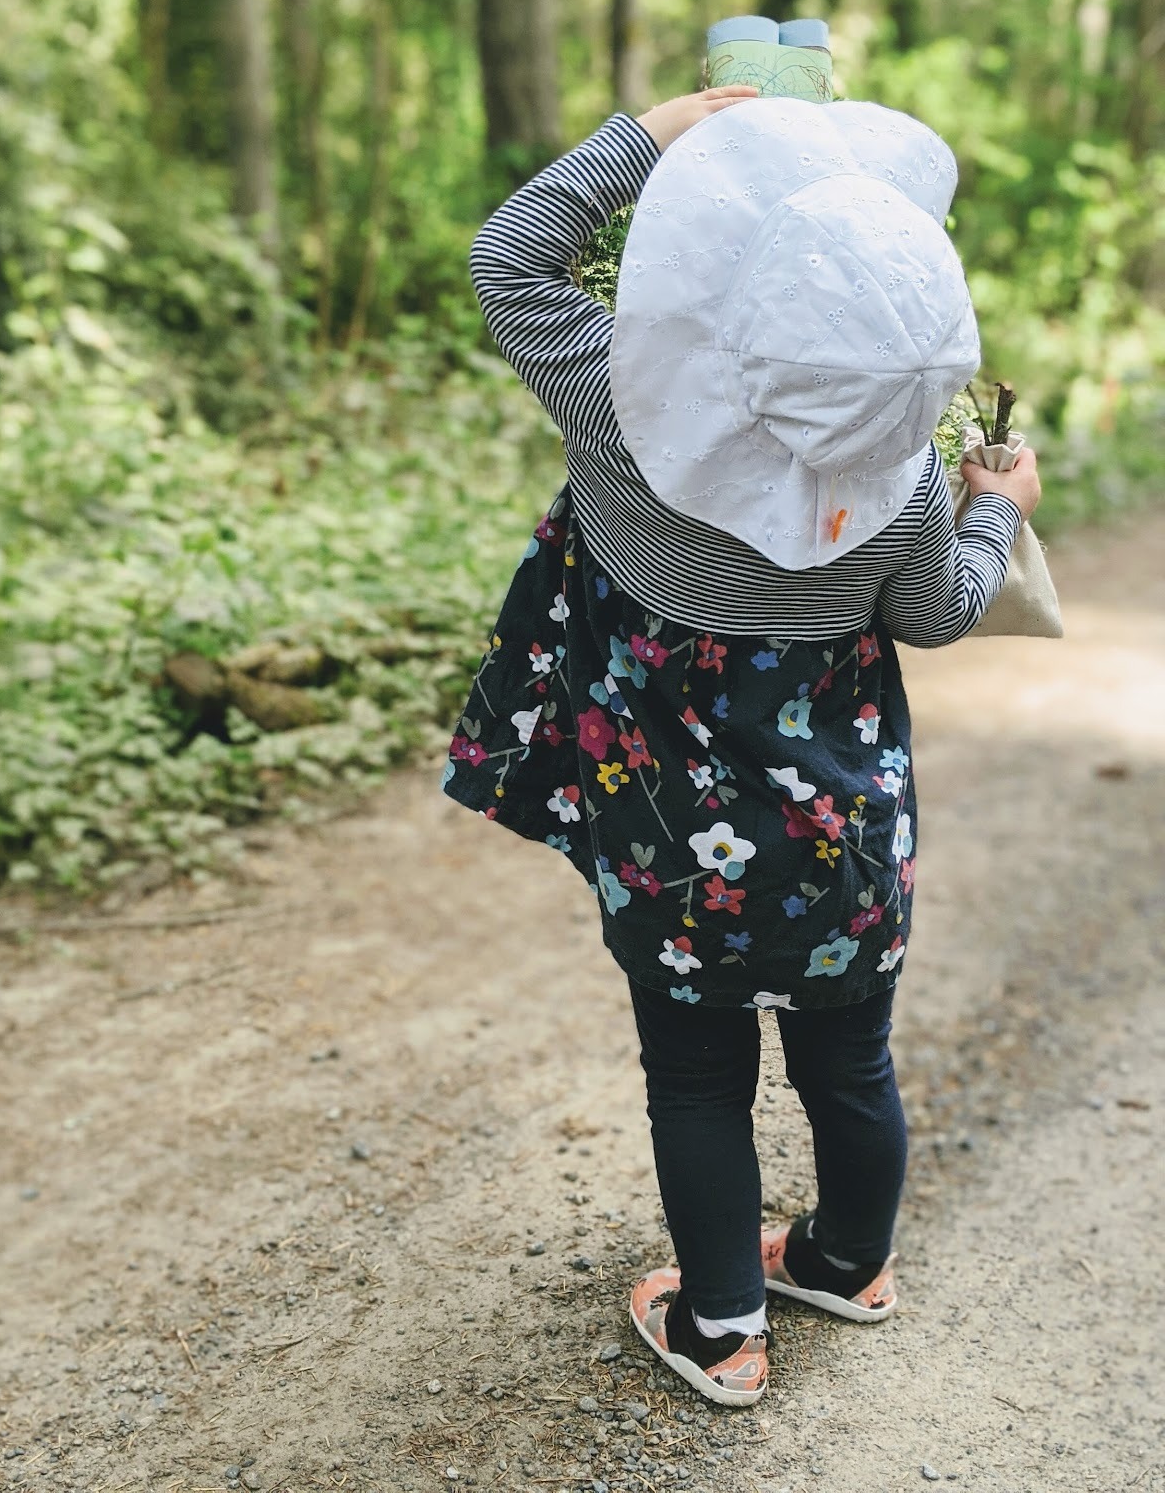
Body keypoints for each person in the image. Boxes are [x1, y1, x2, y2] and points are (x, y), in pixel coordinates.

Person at [440, 85, 1041, 1407]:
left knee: (698, 1081)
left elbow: (509, 257)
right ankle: (846, 1263)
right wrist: (997, 509)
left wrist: (655, 130)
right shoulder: (898, 483)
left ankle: (721, 1329)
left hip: (671, 847)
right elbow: (939, 612)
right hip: (845, 849)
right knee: (851, 1062)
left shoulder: (621, 406)